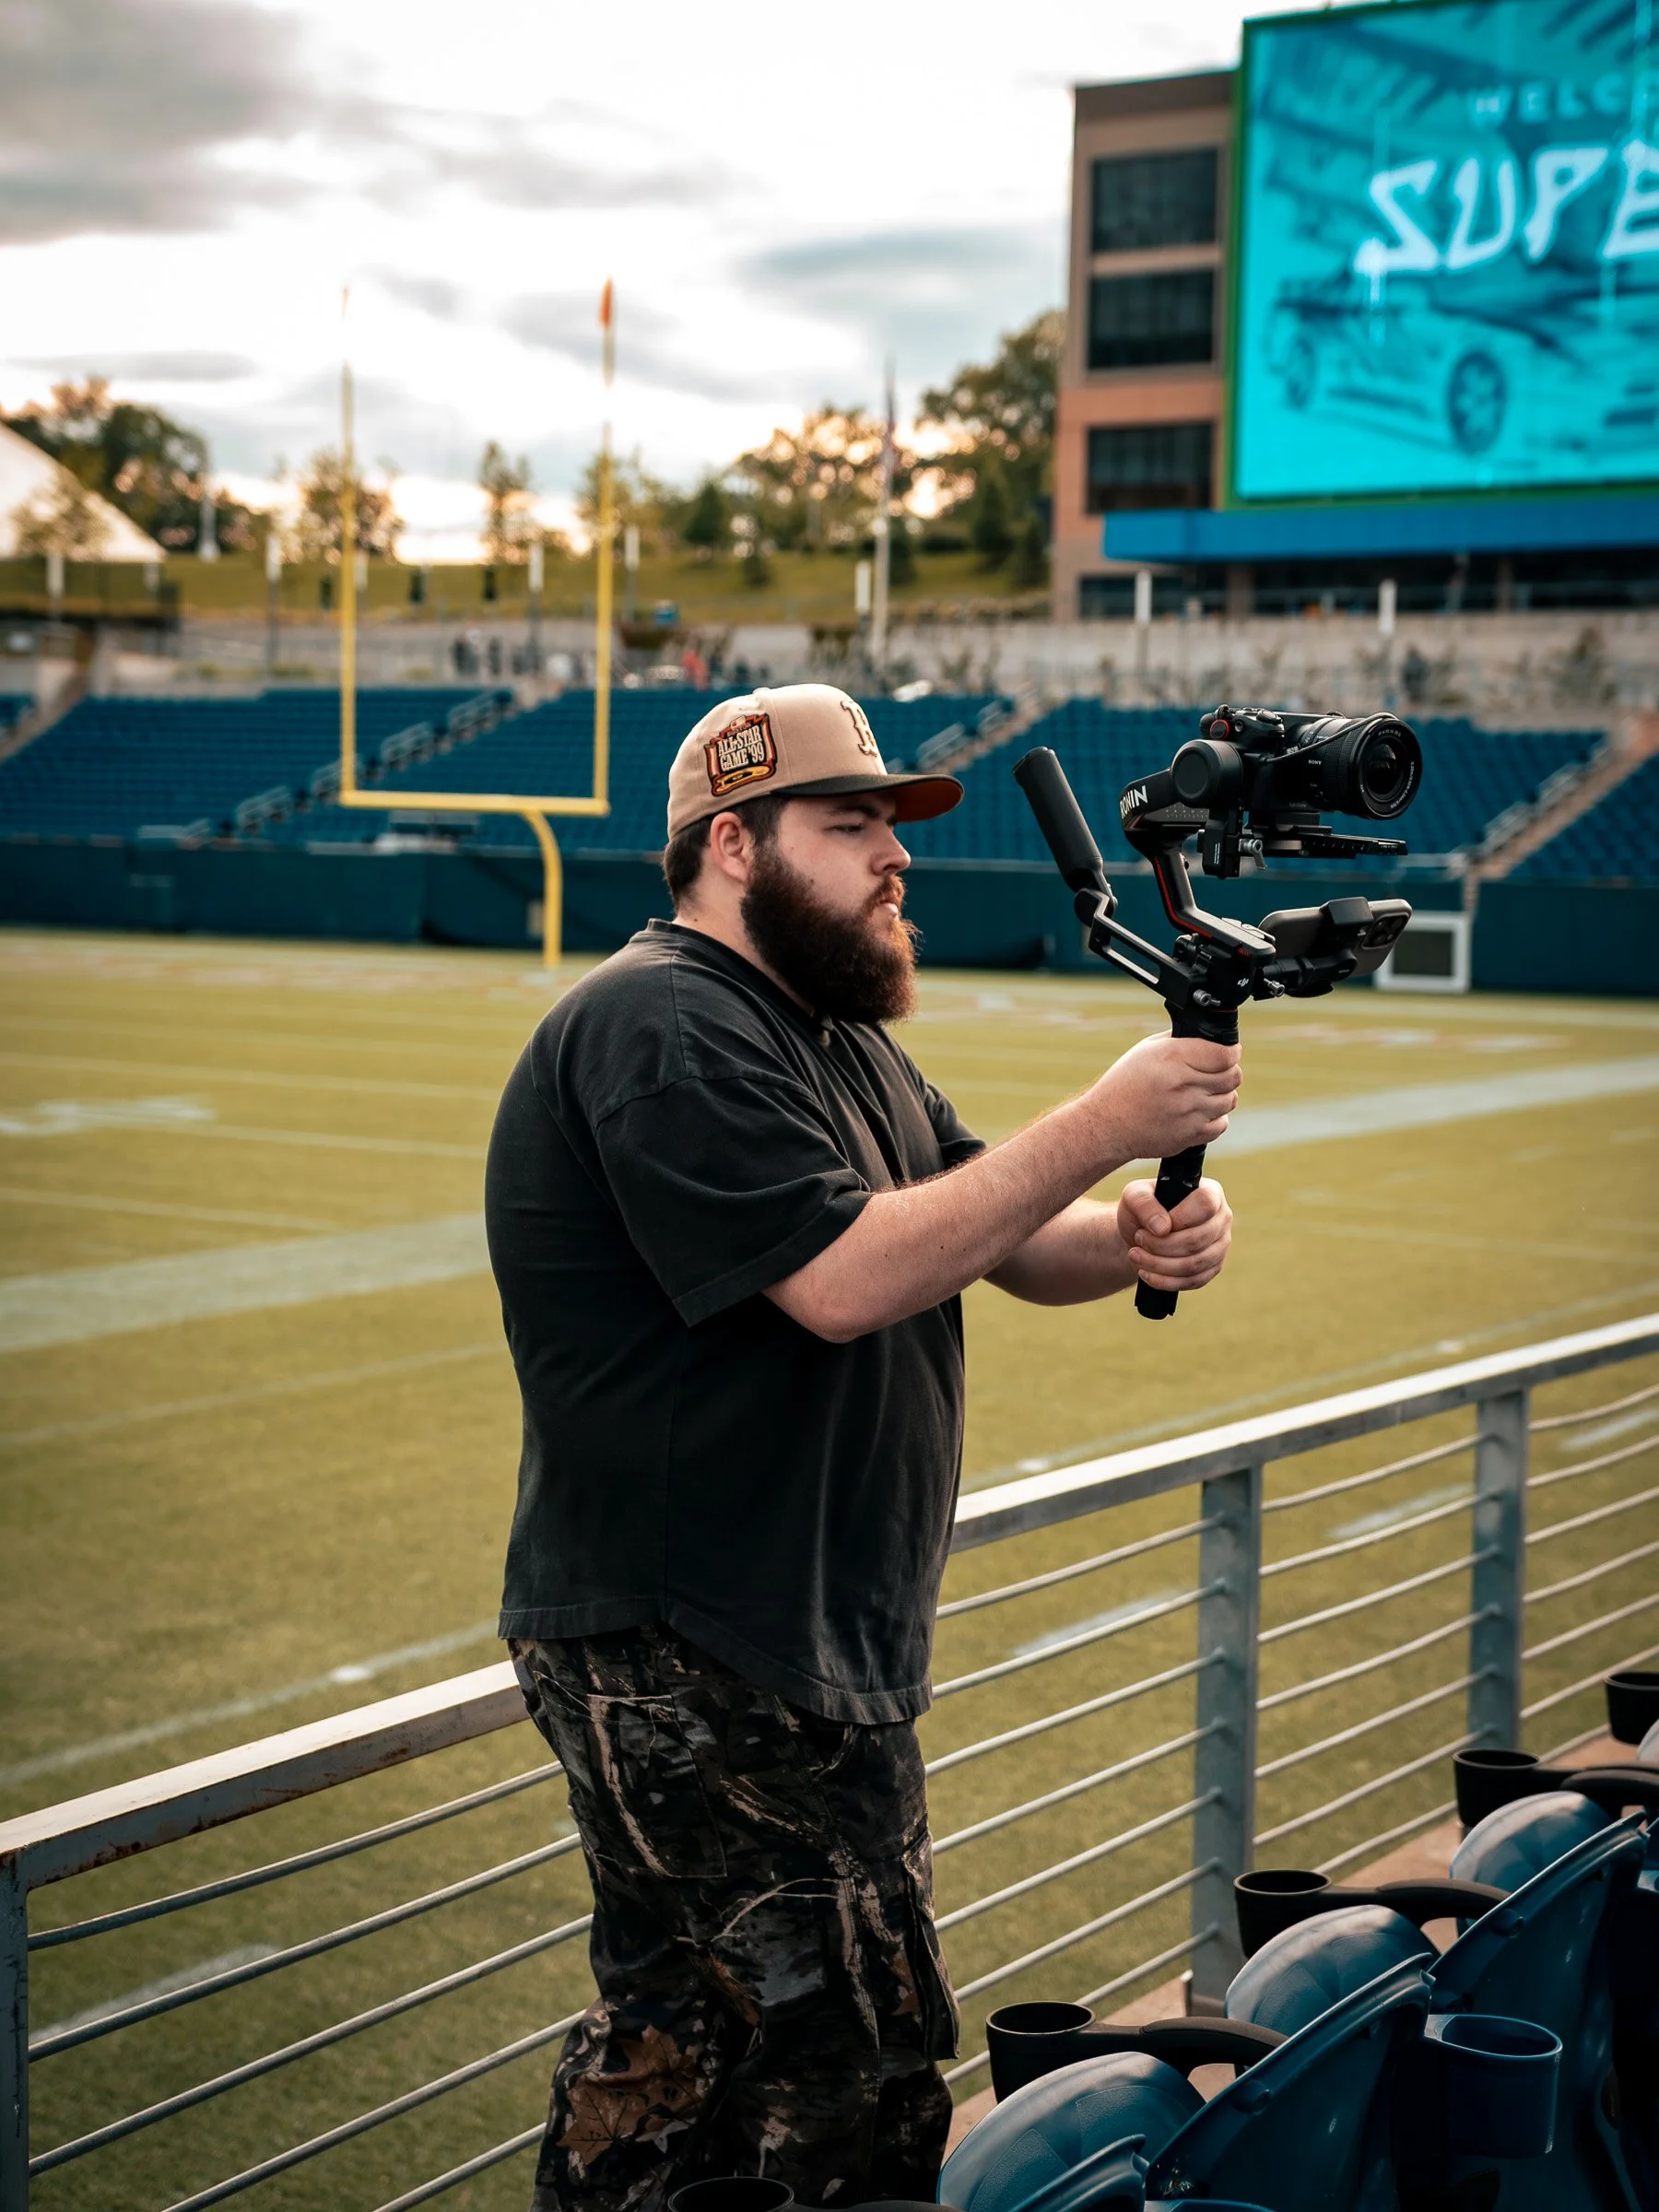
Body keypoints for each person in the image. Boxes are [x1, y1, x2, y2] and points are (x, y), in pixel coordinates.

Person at [485, 684, 1239, 2212]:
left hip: (777, 1641)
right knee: (850, 2082)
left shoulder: (832, 1038)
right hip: (700, 1648)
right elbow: (842, 1280)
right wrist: (1102, 1121)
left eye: (893, 827)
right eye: (853, 827)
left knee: (686, 2054)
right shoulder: (662, 1022)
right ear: (731, 846)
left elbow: (999, 1236)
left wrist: (1137, 1238)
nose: (895, 858)